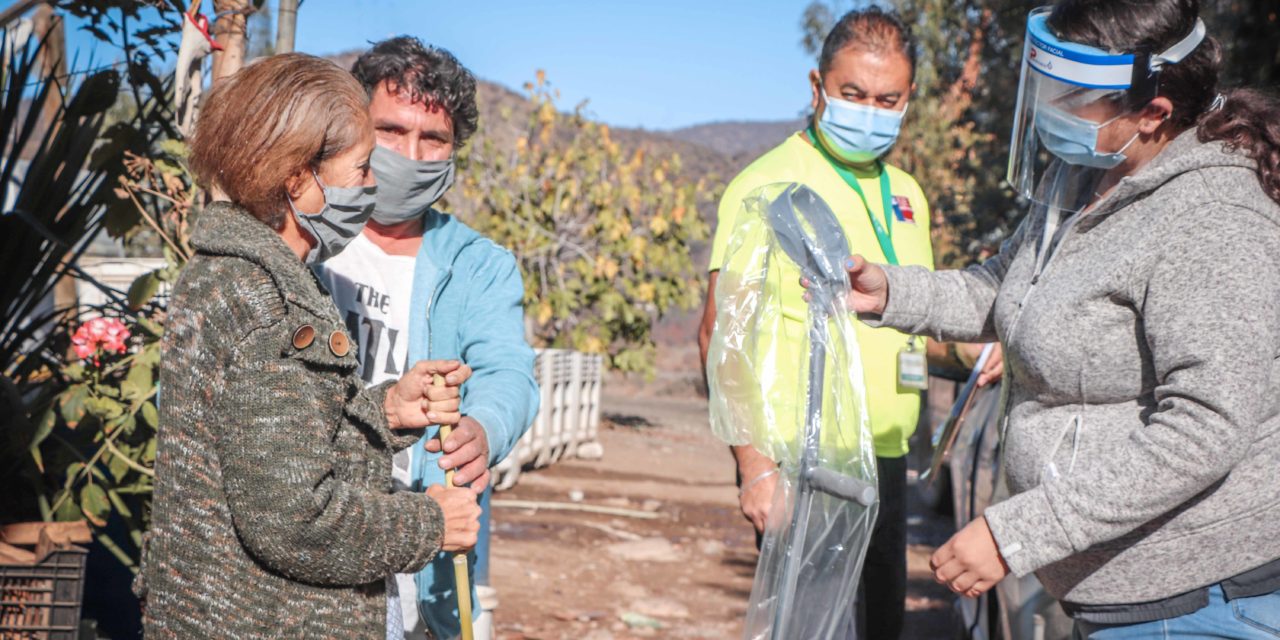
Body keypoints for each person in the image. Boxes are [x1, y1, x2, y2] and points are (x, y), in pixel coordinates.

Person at [837, 0, 1280, 637]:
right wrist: (891, 294)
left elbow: (1203, 427)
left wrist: (1017, 532)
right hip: (1117, 593)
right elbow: (1009, 287)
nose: (1048, 110)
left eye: (1069, 96)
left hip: (1194, 599)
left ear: (1152, 113)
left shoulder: (1214, 218)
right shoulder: (1089, 171)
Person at [139, 53, 482, 639]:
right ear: (298, 177)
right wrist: (429, 525)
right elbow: (294, 519)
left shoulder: (225, 273)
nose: (372, 186)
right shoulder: (271, 304)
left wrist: (385, 411)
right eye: (361, 168)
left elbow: (274, 445)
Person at [697, 8, 1000, 638]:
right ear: (817, 88)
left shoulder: (908, 193)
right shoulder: (769, 183)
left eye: (887, 99)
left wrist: (968, 357)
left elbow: (910, 325)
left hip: (888, 460)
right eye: (852, 94)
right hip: (805, 465)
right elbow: (720, 335)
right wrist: (753, 468)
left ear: (909, 98)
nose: (869, 111)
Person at [315, 37, 539, 640]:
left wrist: (483, 428)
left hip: (421, 542)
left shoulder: (479, 265)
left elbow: (508, 371)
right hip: (310, 521)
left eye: (432, 139)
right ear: (354, 126)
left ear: (454, 151)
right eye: (390, 131)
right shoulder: (303, 243)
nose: (410, 155)